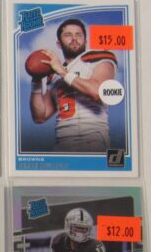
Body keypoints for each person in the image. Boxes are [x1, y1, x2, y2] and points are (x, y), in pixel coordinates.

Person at [29, 18, 117, 152]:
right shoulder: (55, 74)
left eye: (79, 35)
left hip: (93, 139)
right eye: (68, 35)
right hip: (62, 143)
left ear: (85, 41)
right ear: (59, 44)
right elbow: (40, 116)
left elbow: (98, 92)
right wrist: (36, 80)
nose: (74, 39)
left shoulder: (98, 59)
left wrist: (63, 72)